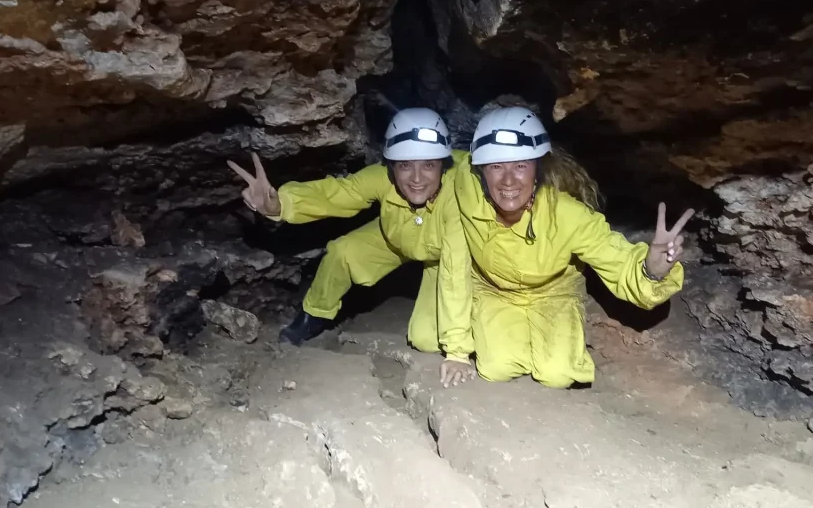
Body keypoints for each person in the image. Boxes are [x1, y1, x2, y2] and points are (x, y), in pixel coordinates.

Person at [438, 105, 694, 389]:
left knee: (557, 374)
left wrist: (652, 270)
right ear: (481, 171)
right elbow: (453, 270)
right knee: (496, 368)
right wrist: (456, 351)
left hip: (553, 292)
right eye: (496, 166)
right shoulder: (466, 195)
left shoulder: (567, 214)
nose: (508, 180)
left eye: (520, 165)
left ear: (538, 169)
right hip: (493, 290)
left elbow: (614, 255)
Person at [228, 108, 476, 383]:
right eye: (405, 165)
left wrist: (457, 351)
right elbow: (340, 193)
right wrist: (279, 204)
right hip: (397, 236)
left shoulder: (463, 185)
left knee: (426, 340)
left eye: (428, 165)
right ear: (392, 165)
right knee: (342, 252)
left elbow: (456, 269)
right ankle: (311, 317)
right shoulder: (382, 177)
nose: (417, 178)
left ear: (444, 163)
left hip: (445, 256)